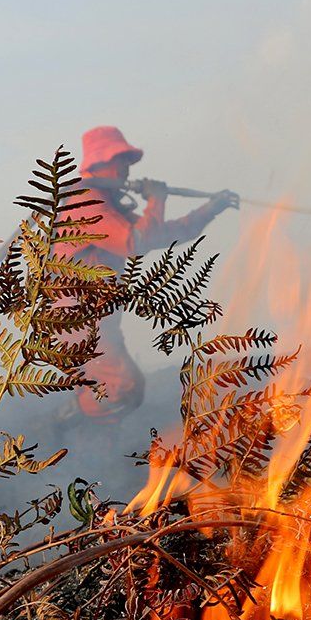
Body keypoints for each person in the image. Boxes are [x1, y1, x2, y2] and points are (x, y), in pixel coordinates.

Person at [62, 126, 239, 420]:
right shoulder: (86, 203)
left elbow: (159, 234)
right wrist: (156, 200)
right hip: (75, 318)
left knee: (129, 388)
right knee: (123, 388)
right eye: (121, 160)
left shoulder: (106, 204)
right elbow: (134, 242)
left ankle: (82, 421)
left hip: (97, 316)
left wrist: (209, 210)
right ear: (101, 162)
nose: (127, 170)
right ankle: (66, 425)